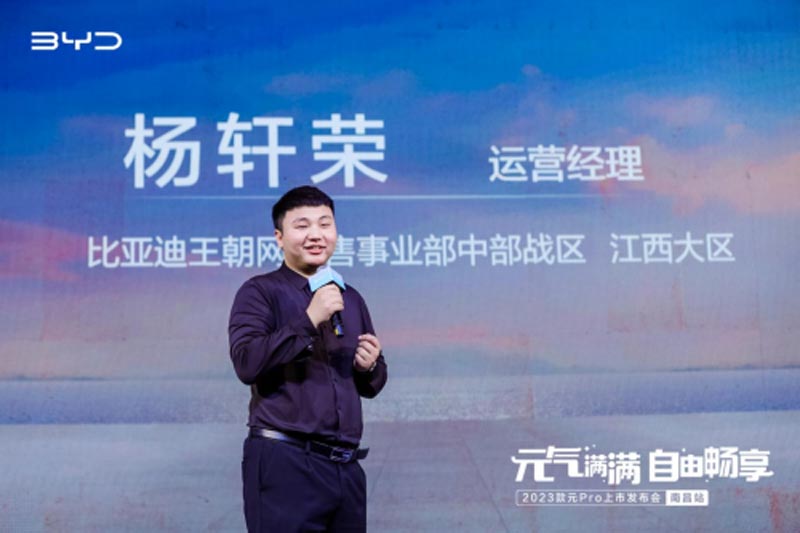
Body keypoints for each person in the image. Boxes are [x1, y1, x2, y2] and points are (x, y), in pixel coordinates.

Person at [228, 186, 388, 532]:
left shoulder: (350, 297)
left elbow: (372, 383)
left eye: (325, 224)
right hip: (285, 463)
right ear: (279, 237)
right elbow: (246, 362)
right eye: (302, 226)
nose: (316, 234)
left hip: (345, 468)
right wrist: (309, 319)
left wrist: (370, 366)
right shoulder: (260, 292)